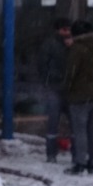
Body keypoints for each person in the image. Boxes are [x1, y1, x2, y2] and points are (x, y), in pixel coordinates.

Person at [63, 20, 93, 174]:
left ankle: (80, 163)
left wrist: (66, 89)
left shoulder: (78, 48)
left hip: (79, 95)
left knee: (79, 131)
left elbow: (71, 72)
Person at [35, 18, 73, 162]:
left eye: (69, 29)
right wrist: (51, 79)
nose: (67, 32)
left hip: (65, 88)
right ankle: (52, 154)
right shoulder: (50, 45)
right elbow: (42, 65)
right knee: (54, 123)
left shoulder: (70, 45)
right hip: (56, 88)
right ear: (58, 30)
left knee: (68, 123)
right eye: (64, 29)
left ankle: (70, 153)